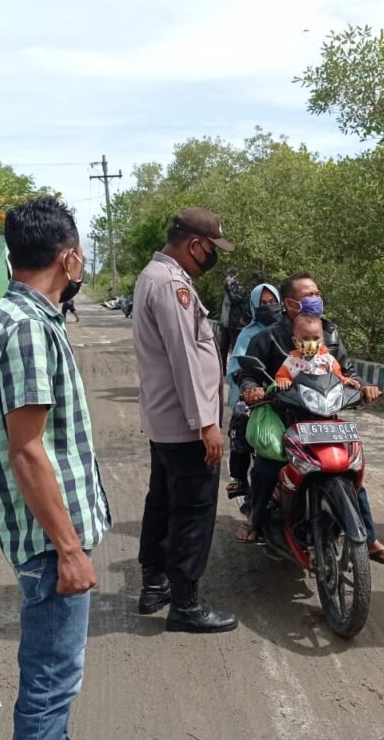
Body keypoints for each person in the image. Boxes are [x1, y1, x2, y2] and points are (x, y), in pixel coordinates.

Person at [0, 196, 112, 738]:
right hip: (48, 545)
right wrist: (69, 550)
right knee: (51, 684)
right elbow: (27, 450)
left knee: (53, 679)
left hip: (46, 538)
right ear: (69, 258)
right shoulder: (28, 329)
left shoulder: (26, 317)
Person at [236, 272, 384, 566]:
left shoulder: (330, 333)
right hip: (283, 417)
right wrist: (253, 390)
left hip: (324, 416)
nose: (316, 300)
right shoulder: (269, 337)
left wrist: (362, 386)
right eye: (308, 296)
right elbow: (248, 374)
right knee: (267, 466)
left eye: (317, 293)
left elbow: (347, 372)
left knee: (350, 471)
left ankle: (369, 538)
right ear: (289, 304)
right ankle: (256, 519)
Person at [132, 207, 238, 634]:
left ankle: (154, 584)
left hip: (166, 421)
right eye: (212, 249)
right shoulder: (172, 284)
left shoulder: (151, 277)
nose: (212, 258)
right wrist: (206, 424)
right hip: (186, 423)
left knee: (162, 501)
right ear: (195, 245)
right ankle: (187, 605)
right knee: (192, 510)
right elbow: (185, 358)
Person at [224, 282, 282, 529]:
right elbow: (237, 369)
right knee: (240, 418)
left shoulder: (292, 329)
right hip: (258, 395)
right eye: (263, 304)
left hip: (290, 395)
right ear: (253, 307)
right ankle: (239, 476)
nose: (269, 308)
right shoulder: (248, 335)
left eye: (273, 302)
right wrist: (251, 389)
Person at [275, 311, 357, 390]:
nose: (311, 343)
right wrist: (283, 381)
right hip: (300, 401)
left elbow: (337, 377)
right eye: (305, 338)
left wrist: (345, 381)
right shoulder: (291, 361)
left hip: (325, 400)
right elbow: (282, 376)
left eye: (316, 338)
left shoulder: (328, 360)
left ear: (322, 340)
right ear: (295, 341)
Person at [218, 267, 248, 362]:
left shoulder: (240, 288)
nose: (228, 277)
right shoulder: (227, 288)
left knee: (235, 349)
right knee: (222, 349)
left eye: (230, 275)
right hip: (225, 324)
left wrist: (228, 288)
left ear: (236, 276)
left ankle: (234, 372)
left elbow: (234, 300)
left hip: (234, 325)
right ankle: (222, 373)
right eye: (227, 275)